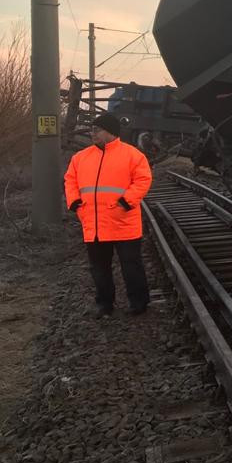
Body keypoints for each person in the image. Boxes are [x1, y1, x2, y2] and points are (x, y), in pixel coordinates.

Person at [64, 113, 153, 317]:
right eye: (92, 130)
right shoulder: (80, 158)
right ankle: (104, 304)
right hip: (94, 224)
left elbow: (143, 180)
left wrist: (125, 201)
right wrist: (75, 202)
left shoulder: (132, 155)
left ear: (110, 132)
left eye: (97, 130)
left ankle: (139, 303)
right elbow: (70, 181)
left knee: (131, 267)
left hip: (123, 222)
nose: (92, 133)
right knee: (99, 269)